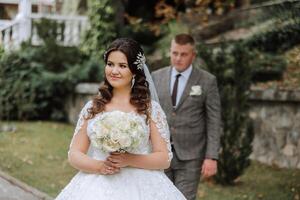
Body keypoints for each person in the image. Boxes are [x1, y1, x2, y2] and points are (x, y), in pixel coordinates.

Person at [55, 38, 187, 200]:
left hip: (142, 186)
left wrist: (129, 159)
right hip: (96, 186)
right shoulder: (93, 108)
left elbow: (164, 158)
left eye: (122, 66)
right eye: (110, 64)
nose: (114, 71)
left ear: (134, 70)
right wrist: (100, 166)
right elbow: (74, 154)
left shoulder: (150, 109)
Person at [152, 33, 221, 200]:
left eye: (183, 54)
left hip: (191, 156)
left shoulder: (207, 80)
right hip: (160, 153)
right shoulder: (156, 77)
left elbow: (214, 120)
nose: (178, 58)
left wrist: (211, 156)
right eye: (174, 53)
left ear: (193, 55)